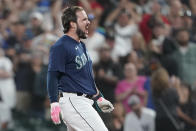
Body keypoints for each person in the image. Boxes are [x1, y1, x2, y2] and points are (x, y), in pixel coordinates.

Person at [47, 6, 114, 131]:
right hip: (74, 101)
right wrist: (53, 102)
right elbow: (53, 75)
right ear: (72, 24)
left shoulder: (81, 45)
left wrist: (98, 97)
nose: (88, 22)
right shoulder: (61, 46)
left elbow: (86, 77)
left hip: (83, 101)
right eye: (84, 20)